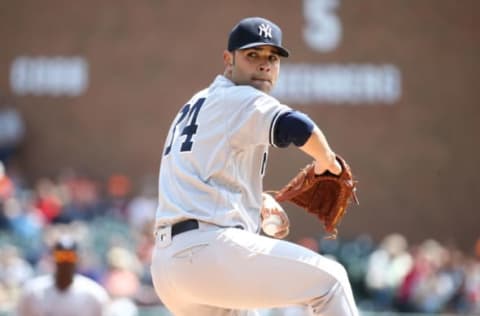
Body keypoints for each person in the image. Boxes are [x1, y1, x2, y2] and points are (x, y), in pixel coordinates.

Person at [150, 16, 359, 316]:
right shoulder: (240, 98)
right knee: (332, 282)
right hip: (208, 251)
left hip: (170, 268)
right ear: (228, 60)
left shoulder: (199, 103)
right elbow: (297, 127)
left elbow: (200, 173)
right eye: (252, 55)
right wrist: (329, 163)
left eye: (272, 58)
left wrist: (256, 202)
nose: (264, 64)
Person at [16, 235, 110, 316]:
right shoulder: (33, 291)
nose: (65, 261)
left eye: (70, 256)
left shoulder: (94, 294)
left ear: (78, 259)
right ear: (52, 258)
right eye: (61, 256)